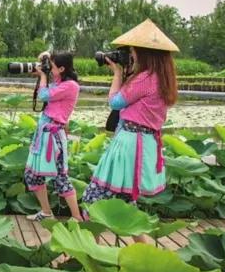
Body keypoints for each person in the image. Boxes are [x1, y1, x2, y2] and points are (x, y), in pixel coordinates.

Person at [80, 19, 179, 242]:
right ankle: (146, 258)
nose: (130, 56)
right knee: (127, 207)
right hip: (142, 145)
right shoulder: (162, 78)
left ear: (145, 53)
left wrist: (117, 73)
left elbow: (115, 102)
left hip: (128, 147)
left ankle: (90, 255)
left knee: (92, 202)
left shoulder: (145, 78)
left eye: (132, 52)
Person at [24, 51, 83, 222]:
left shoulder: (71, 86)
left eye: (53, 66)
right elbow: (48, 84)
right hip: (42, 135)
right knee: (31, 176)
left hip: (54, 137)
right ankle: (46, 212)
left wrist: (42, 75)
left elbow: (44, 95)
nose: (50, 69)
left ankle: (77, 217)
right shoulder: (59, 82)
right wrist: (45, 59)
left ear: (63, 68)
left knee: (60, 178)